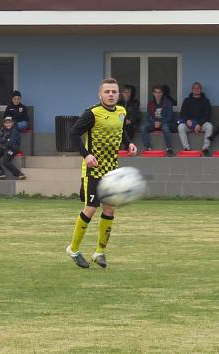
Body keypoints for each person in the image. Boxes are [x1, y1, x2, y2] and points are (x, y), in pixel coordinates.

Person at [66, 78, 137, 269]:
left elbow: (121, 130)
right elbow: (73, 133)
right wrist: (86, 154)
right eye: (107, 92)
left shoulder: (121, 111)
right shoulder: (92, 113)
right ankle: (73, 249)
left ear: (118, 94)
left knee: (109, 210)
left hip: (111, 170)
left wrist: (129, 143)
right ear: (100, 94)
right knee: (91, 208)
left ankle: (99, 252)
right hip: (93, 169)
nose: (111, 94)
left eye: (114, 91)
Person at [178, 82, 213, 156]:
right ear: (192, 89)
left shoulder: (206, 101)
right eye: (194, 88)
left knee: (209, 126)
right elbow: (182, 114)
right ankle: (186, 148)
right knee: (180, 126)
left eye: (198, 88)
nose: (196, 89)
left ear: (201, 90)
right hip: (189, 124)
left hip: (201, 125)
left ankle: (205, 148)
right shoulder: (187, 100)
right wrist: (187, 120)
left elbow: (207, 115)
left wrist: (199, 124)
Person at [140, 84, 174, 156]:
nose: (157, 94)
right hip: (154, 123)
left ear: (162, 93)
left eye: (159, 92)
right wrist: (155, 122)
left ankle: (169, 149)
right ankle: (148, 148)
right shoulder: (150, 103)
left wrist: (161, 123)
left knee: (165, 128)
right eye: (156, 92)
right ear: (153, 93)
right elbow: (148, 117)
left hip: (165, 123)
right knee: (143, 128)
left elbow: (169, 117)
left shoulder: (168, 102)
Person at [117, 85, 140, 150]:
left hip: (130, 123)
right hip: (121, 123)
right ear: (122, 93)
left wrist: (130, 120)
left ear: (130, 93)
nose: (126, 94)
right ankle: (117, 147)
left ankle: (127, 146)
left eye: (128, 92)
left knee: (129, 128)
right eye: (125, 92)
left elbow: (137, 114)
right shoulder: (119, 103)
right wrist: (122, 120)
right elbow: (118, 113)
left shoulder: (135, 102)